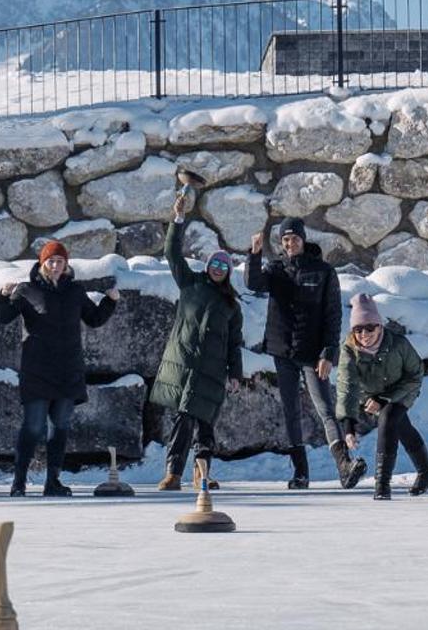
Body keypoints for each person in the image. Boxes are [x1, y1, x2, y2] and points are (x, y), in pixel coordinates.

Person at [0, 240, 119, 496]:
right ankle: (19, 482)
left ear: (66, 264)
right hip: (37, 370)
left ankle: (53, 482)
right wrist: (2, 296)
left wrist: (110, 302)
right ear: (42, 263)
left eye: (60, 261)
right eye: (51, 261)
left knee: (60, 426)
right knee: (34, 427)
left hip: (68, 370)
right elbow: (3, 316)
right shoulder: (27, 290)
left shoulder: (75, 291)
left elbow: (93, 319)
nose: (56, 265)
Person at [247, 216, 363, 490]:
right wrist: (253, 255)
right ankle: (300, 473)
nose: (290, 244)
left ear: (303, 239)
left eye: (295, 239)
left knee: (325, 409)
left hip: (313, 353)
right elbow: (253, 283)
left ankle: (344, 466)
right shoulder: (276, 270)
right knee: (291, 410)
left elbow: (333, 316)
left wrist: (328, 353)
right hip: (282, 350)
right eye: (285, 240)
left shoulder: (323, 271)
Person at [149, 191, 244, 491]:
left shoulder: (232, 305)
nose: (218, 269)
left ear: (228, 272)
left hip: (213, 372)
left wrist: (236, 374)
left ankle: (200, 473)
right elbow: (172, 253)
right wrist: (178, 219)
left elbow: (234, 343)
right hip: (186, 365)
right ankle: (173, 474)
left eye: (223, 267)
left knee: (205, 423)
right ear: (208, 267)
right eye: (215, 265)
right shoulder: (190, 283)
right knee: (184, 418)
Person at [336, 293, 428, 499]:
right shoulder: (349, 350)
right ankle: (426, 468)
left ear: (379, 326)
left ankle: (382, 485)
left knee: (388, 418)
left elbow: (415, 374)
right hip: (373, 394)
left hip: (403, 389)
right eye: (358, 329)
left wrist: (385, 399)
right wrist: (348, 427)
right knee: (402, 427)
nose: (364, 334)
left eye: (369, 328)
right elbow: (346, 387)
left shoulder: (398, 344)